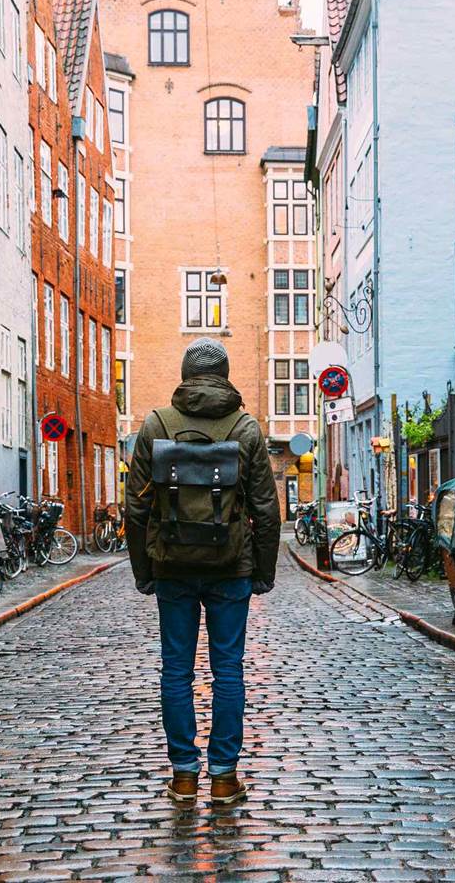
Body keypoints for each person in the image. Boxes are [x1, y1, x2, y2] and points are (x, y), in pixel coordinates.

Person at [126, 338, 280, 807]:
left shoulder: (157, 425)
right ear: (227, 374)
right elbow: (268, 511)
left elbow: (135, 508)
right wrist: (263, 573)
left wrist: (144, 570)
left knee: (176, 670)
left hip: (172, 566)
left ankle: (184, 777)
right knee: (228, 670)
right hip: (231, 567)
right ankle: (224, 777)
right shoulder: (246, 429)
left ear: (185, 375)